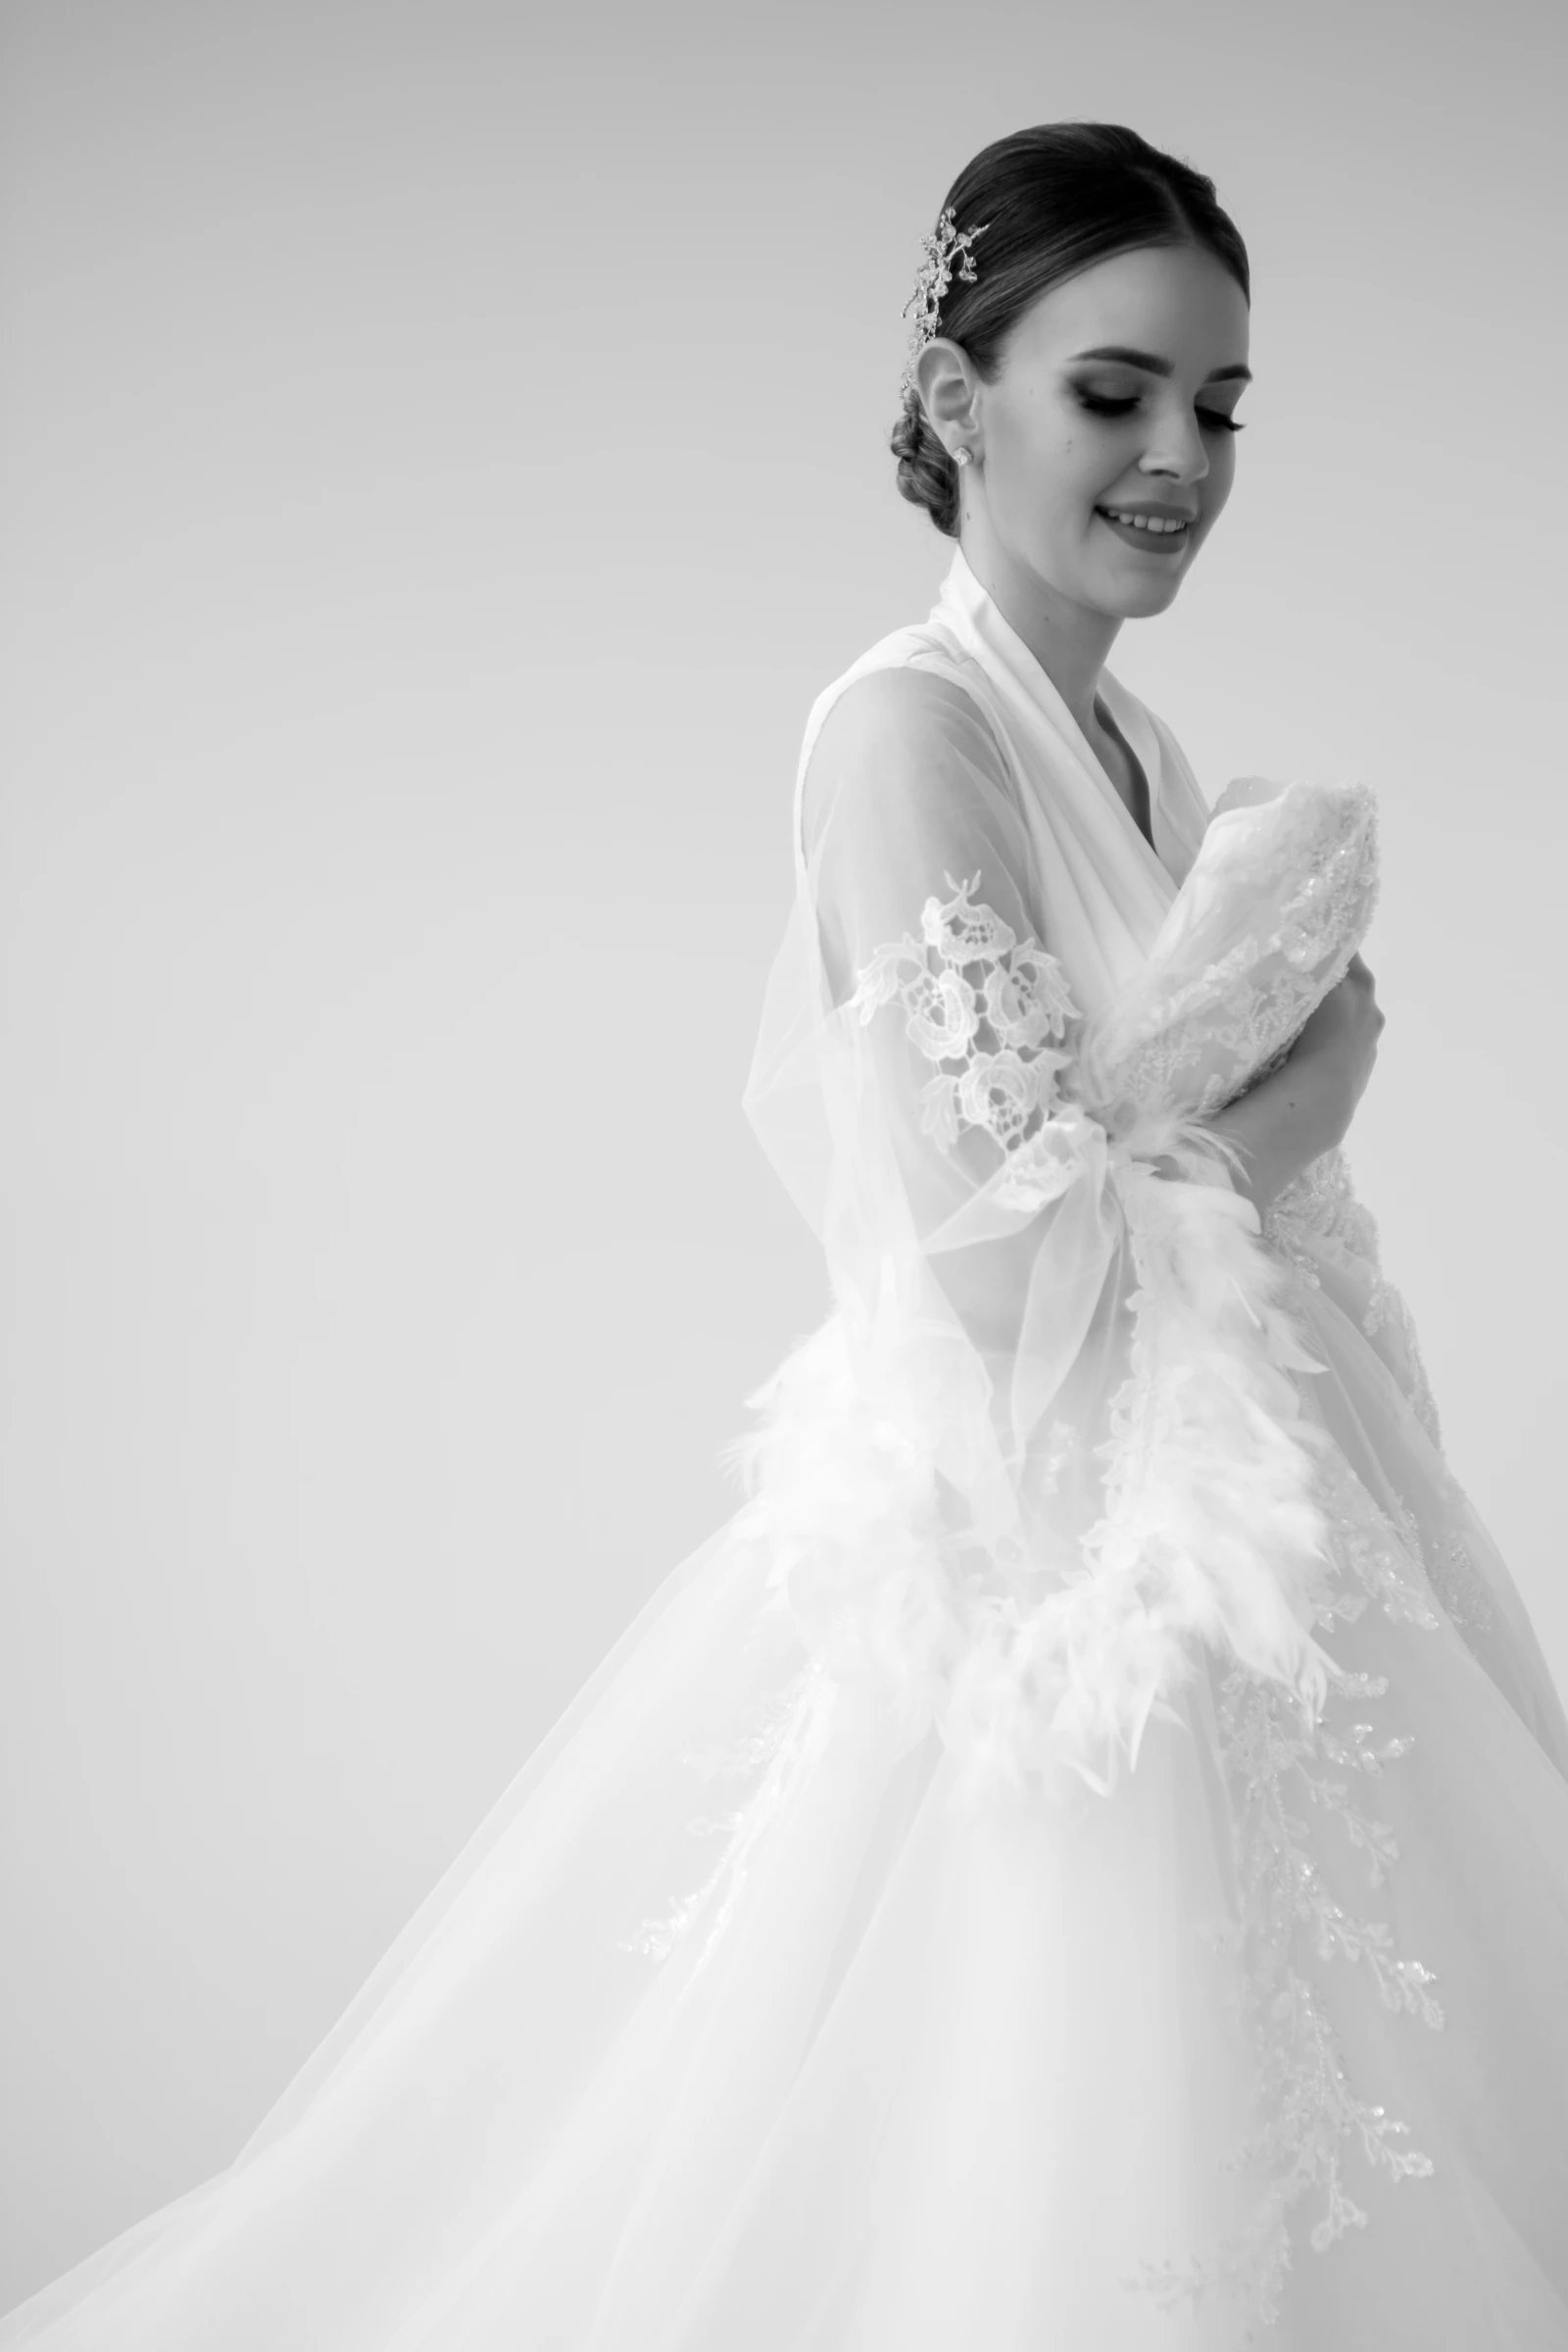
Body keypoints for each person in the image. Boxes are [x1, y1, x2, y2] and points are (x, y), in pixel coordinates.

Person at [5, 120, 1568, 2352]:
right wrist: (1296, 1105)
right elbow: (1001, 1255)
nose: (1181, 460)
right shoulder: (909, 732)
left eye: (1219, 407)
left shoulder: (1126, 743)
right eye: (1112, 392)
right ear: (954, 400)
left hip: (1205, 1551)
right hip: (1042, 1588)